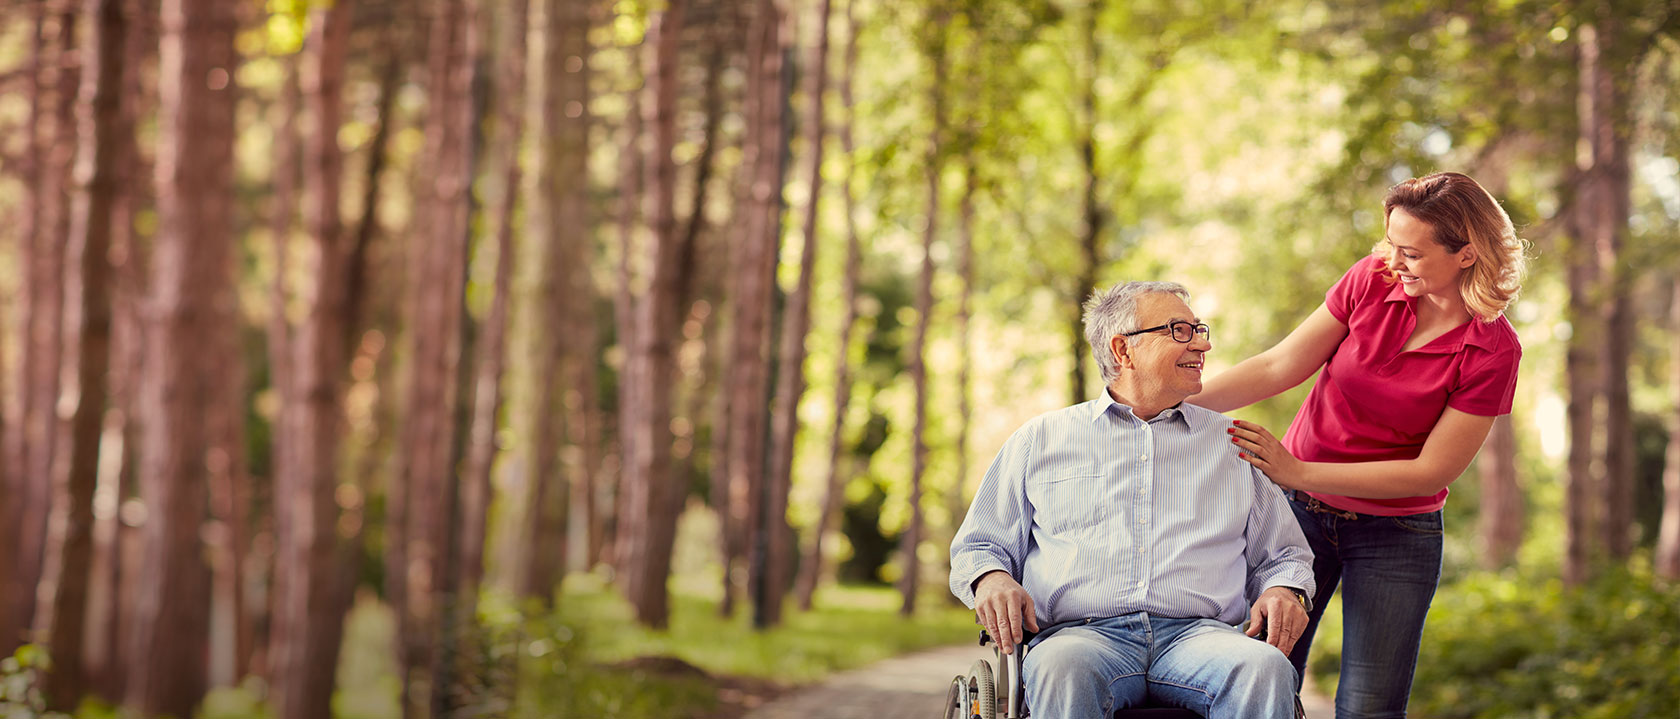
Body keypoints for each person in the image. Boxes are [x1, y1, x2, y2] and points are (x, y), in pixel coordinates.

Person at [1192, 171, 1526, 719]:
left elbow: (1428, 472)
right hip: (1296, 517)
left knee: (1370, 706)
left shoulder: (1492, 350)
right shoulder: (1371, 280)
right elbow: (1280, 365)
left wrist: (1298, 471)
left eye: (1412, 253)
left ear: (1467, 254)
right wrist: (1167, 401)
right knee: (1258, 676)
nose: (1395, 261)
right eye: (1392, 244)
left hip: (1396, 532)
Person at [949, 281, 1316, 719]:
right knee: (1063, 668)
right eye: (1180, 330)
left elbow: (1285, 554)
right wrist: (991, 579)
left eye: (1199, 329)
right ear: (1123, 350)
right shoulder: (1041, 439)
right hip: (1081, 637)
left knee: (1264, 667)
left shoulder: (1232, 445)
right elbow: (977, 545)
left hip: (1200, 638)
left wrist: (1283, 588)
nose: (1203, 343)